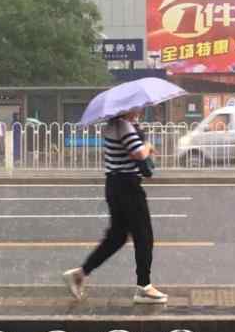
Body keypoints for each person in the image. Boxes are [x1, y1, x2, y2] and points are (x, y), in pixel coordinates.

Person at [62, 109, 167, 304]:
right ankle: (144, 287)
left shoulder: (112, 126)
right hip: (128, 187)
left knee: (117, 237)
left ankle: (80, 273)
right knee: (144, 235)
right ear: (127, 108)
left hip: (114, 185)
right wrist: (148, 146)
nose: (140, 109)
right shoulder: (125, 127)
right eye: (137, 107)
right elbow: (137, 153)